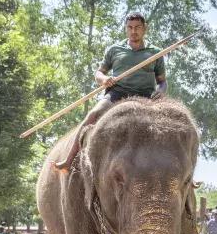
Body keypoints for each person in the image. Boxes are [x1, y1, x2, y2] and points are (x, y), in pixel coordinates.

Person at [53, 12, 168, 172]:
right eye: (130, 27)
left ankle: (182, 174)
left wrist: (161, 91)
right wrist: (104, 79)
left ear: (145, 29)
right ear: (126, 29)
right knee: (92, 115)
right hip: (117, 94)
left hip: (146, 97)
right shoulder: (114, 49)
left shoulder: (156, 52)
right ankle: (69, 159)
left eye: (137, 28)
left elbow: (162, 82)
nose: (133, 31)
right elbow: (99, 73)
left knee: (171, 126)